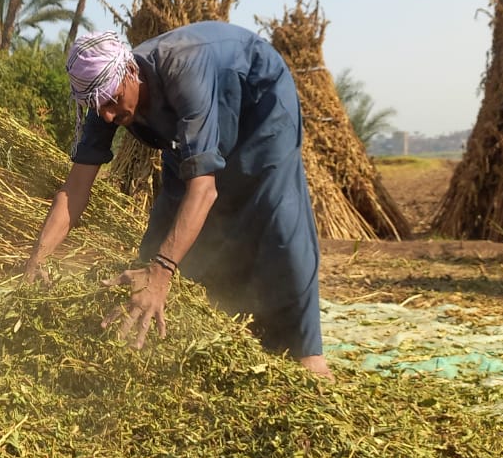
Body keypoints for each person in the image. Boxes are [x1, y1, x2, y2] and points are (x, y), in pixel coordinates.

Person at [23, 24, 331, 378]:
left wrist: (161, 274)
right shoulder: (102, 97)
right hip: (189, 128)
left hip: (258, 103)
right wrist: (37, 259)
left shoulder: (182, 69)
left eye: (111, 101)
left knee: (276, 213)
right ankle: (200, 328)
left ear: (131, 70)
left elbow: (204, 190)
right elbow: (75, 189)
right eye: (97, 106)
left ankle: (308, 353)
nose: (106, 115)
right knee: (165, 227)